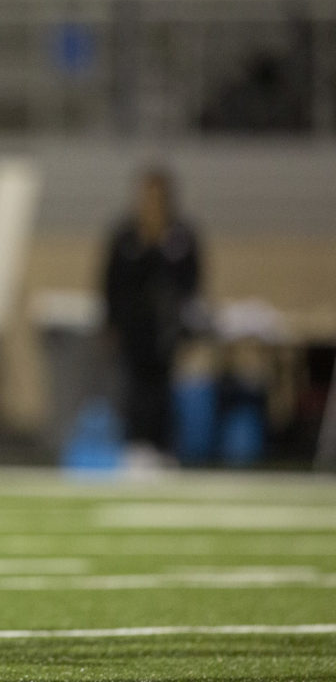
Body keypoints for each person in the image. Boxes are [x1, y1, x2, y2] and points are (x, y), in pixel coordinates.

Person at [102, 164, 203, 460]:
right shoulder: (126, 234)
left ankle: (162, 447)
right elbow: (110, 281)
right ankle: (135, 447)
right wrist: (111, 322)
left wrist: (186, 318)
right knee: (134, 388)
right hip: (134, 326)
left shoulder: (180, 235)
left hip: (166, 327)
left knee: (163, 389)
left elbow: (191, 278)